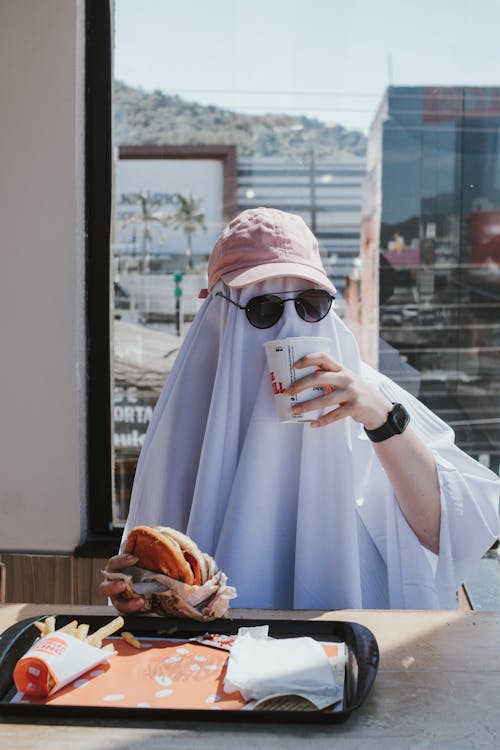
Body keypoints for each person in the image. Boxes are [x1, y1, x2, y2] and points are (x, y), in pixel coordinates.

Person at [101, 207, 499, 611]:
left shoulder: (369, 399)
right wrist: (140, 596)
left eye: (310, 304)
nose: (291, 326)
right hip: (217, 657)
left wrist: (380, 418)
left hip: (353, 650)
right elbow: (159, 582)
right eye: (265, 309)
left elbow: (447, 533)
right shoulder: (188, 421)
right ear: (219, 316)